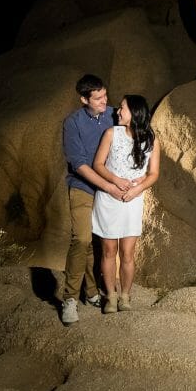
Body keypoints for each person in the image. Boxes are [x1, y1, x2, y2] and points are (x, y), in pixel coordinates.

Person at [60, 74, 121, 326]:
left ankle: (93, 292)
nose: (104, 101)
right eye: (97, 98)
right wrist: (107, 184)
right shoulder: (72, 123)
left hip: (109, 192)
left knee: (99, 244)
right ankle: (70, 300)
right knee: (82, 239)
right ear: (84, 99)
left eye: (105, 95)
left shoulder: (113, 114)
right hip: (83, 188)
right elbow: (79, 163)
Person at [91, 94, 161, 312]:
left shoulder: (151, 139)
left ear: (134, 113)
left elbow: (154, 173)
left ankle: (125, 297)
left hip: (132, 200)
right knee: (109, 250)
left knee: (128, 253)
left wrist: (137, 189)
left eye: (122, 108)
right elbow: (98, 164)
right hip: (109, 198)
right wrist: (115, 180)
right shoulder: (111, 133)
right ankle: (110, 296)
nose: (117, 111)